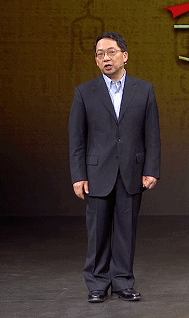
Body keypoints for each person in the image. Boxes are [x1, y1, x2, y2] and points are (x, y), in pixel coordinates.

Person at [69, 31, 161, 303]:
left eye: (111, 52)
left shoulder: (144, 90)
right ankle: (97, 284)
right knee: (97, 232)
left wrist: (151, 168)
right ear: (96, 61)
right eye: (100, 54)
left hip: (132, 171)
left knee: (126, 230)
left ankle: (123, 282)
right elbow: (77, 139)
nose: (106, 58)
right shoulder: (85, 92)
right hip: (97, 172)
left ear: (125, 56)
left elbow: (152, 135)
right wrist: (78, 175)